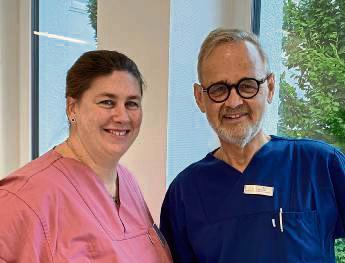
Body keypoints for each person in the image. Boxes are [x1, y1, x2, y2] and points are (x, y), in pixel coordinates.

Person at [160, 28, 345, 263]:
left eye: (247, 85)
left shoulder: (319, 165)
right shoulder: (184, 192)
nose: (234, 101)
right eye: (219, 89)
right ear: (199, 97)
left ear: (270, 87)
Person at [0, 50, 172, 262]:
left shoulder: (127, 182)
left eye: (132, 103)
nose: (122, 116)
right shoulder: (24, 198)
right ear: (72, 108)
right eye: (107, 102)